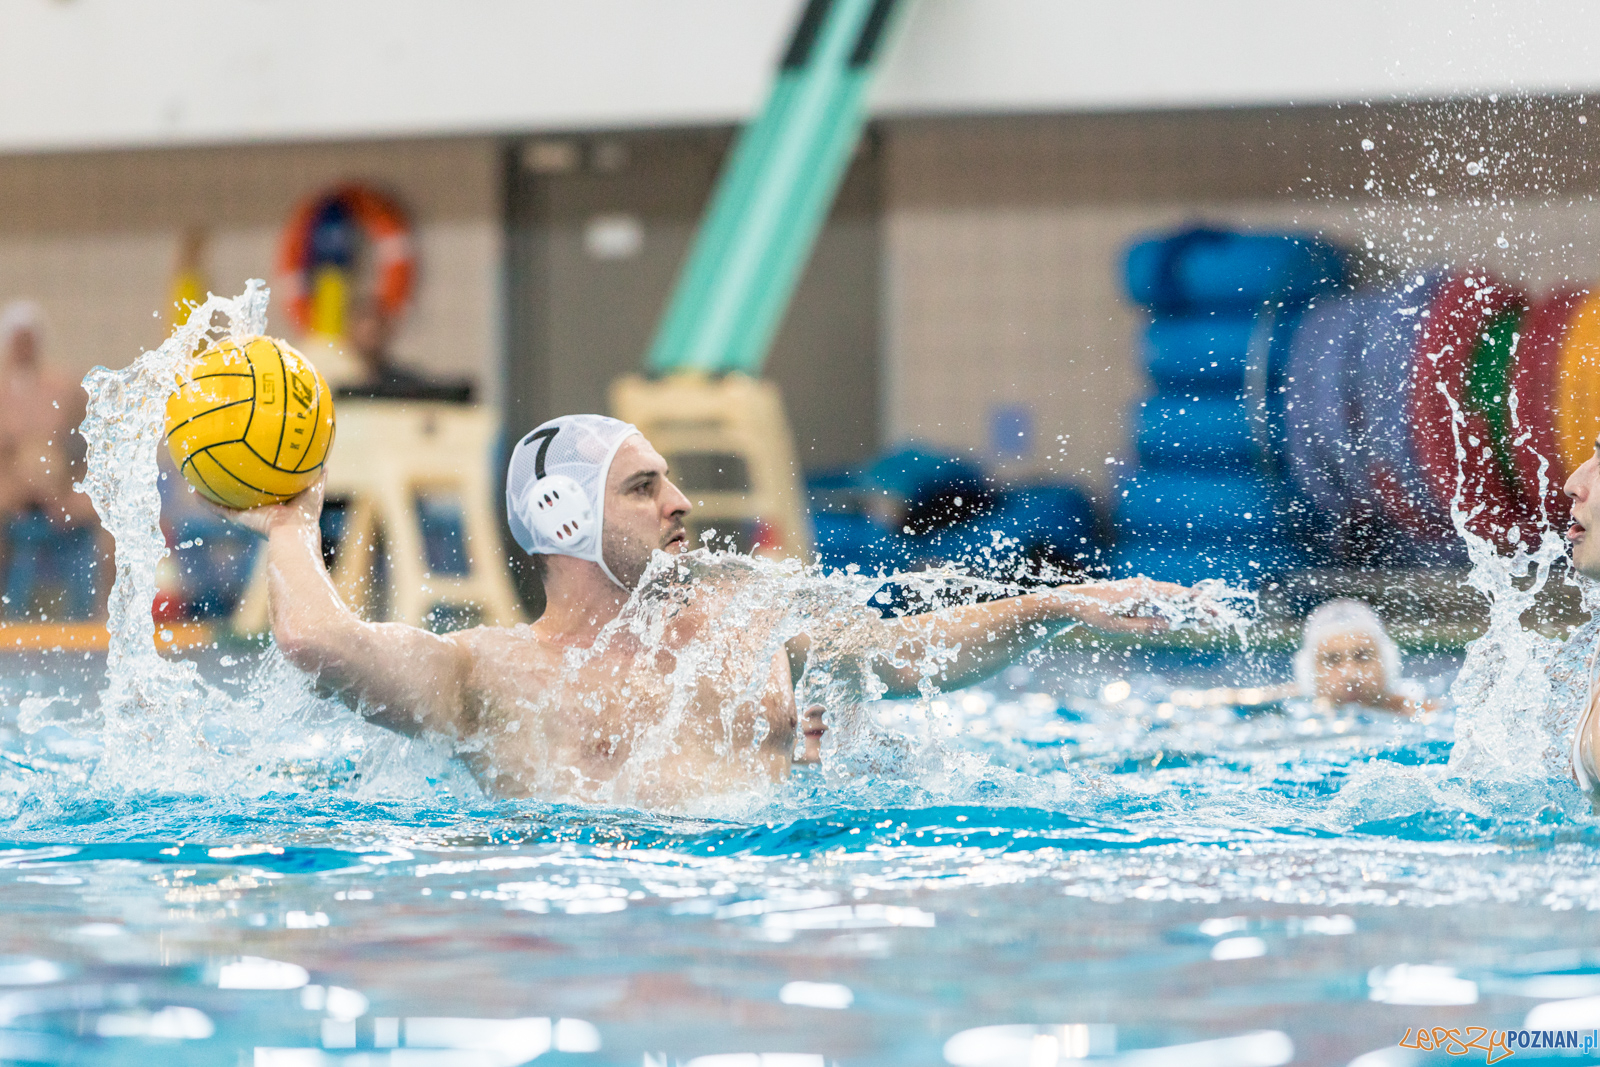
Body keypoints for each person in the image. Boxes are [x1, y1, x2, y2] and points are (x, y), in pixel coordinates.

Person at [212, 413, 1208, 807]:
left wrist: (1054, 606)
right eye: (643, 487)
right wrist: (288, 526)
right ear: (559, 515)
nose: (681, 502)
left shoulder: (741, 630)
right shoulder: (488, 675)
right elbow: (315, 638)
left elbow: (903, 654)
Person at [0, 302, 99, 618]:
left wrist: (75, 485)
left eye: (30, 338)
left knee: (106, 513)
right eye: (19, 339)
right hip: (9, 489)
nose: (25, 347)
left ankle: (104, 613)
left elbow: (89, 445)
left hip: (60, 488)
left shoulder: (62, 386)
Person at [1291, 599, 1435, 715]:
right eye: (1333, 660)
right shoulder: (1287, 711)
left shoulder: (1421, 714)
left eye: (1362, 657)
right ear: (1309, 672)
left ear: (1388, 663)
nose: (1351, 675)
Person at [332, 297, 472, 403]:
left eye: (377, 328)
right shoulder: (331, 378)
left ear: (388, 331)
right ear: (348, 331)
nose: (371, 333)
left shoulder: (401, 382)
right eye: (363, 327)